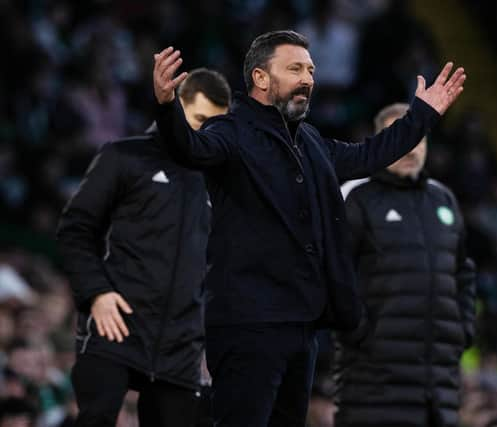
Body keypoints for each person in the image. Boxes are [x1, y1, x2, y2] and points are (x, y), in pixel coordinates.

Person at [152, 30, 466, 426]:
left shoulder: (311, 142)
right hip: (248, 324)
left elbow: (371, 155)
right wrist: (167, 108)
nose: (308, 79)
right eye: (295, 68)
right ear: (261, 78)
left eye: (311, 70)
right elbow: (191, 149)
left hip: (301, 326)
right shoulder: (230, 132)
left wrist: (423, 115)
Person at [56, 68, 232, 427]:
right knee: (96, 417)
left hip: (181, 347)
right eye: (199, 120)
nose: (204, 134)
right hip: (114, 326)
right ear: (175, 106)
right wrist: (97, 293)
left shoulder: (219, 183)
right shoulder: (124, 157)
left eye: (215, 126)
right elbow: (75, 230)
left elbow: (222, 268)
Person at [334, 103, 476, 427]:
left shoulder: (444, 199)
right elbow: (333, 275)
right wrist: (360, 333)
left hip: (439, 384)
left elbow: (463, 270)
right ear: (381, 142)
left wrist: (462, 330)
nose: (412, 148)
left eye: (420, 139)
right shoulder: (354, 196)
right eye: (402, 137)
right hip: (372, 383)